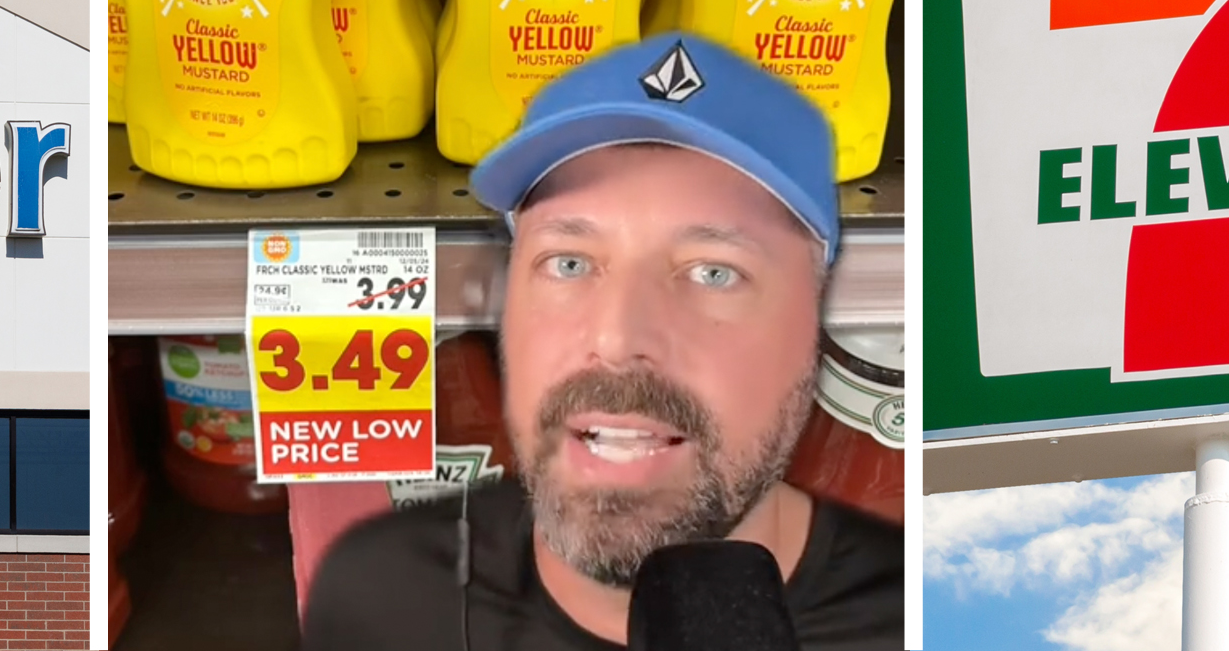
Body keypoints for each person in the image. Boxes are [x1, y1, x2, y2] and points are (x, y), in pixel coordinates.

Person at [301, 33, 902, 650]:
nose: (617, 340)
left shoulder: (928, 620)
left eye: (713, 272)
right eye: (568, 263)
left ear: (812, 323)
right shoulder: (381, 598)